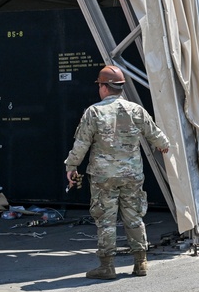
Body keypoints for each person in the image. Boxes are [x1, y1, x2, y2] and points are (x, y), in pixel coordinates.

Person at [64, 65, 169, 280]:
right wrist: (163, 145)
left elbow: (81, 144)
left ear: (103, 87)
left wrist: (71, 167)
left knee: (106, 220)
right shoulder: (136, 110)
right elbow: (158, 138)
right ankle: (141, 263)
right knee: (134, 217)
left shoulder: (94, 112)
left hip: (104, 177)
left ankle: (107, 266)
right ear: (120, 87)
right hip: (132, 174)